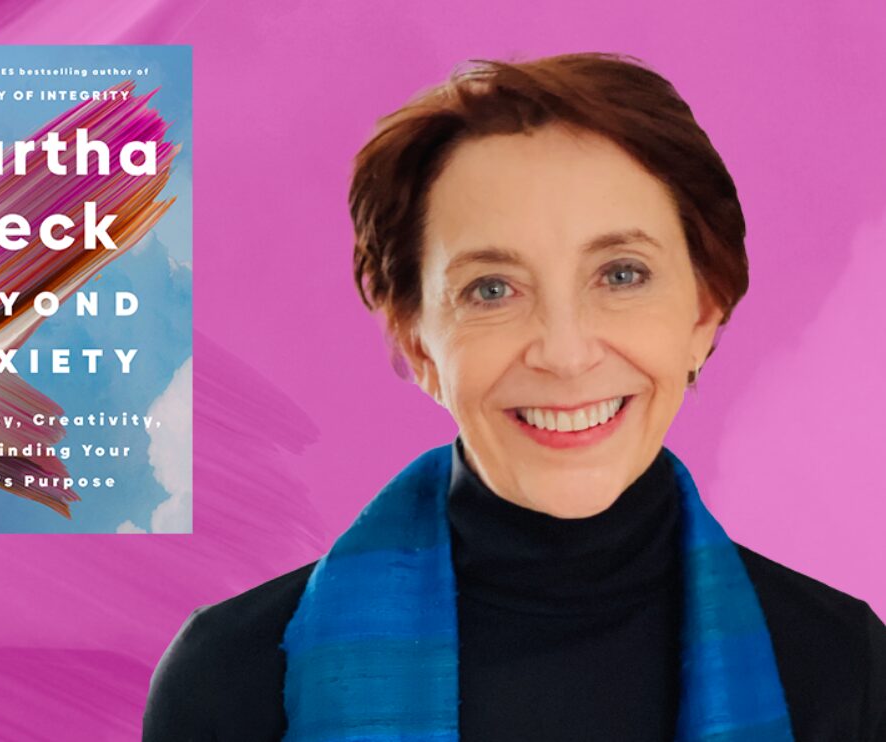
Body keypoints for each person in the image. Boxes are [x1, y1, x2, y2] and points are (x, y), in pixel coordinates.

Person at [143, 52, 886, 741]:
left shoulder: (837, 666)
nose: (564, 354)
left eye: (622, 274)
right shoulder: (232, 682)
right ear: (416, 344)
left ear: (704, 312)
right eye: (491, 290)